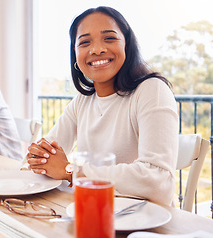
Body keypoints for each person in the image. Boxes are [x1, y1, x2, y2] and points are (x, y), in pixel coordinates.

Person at [27, 6, 179, 206]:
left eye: (109, 38)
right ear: (75, 55)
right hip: (92, 209)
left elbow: (157, 180)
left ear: (127, 45)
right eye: (84, 42)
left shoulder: (151, 90)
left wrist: (71, 170)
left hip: (145, 223)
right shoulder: (82, 101)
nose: (97, 49)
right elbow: (48, 154)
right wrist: (38, 156)